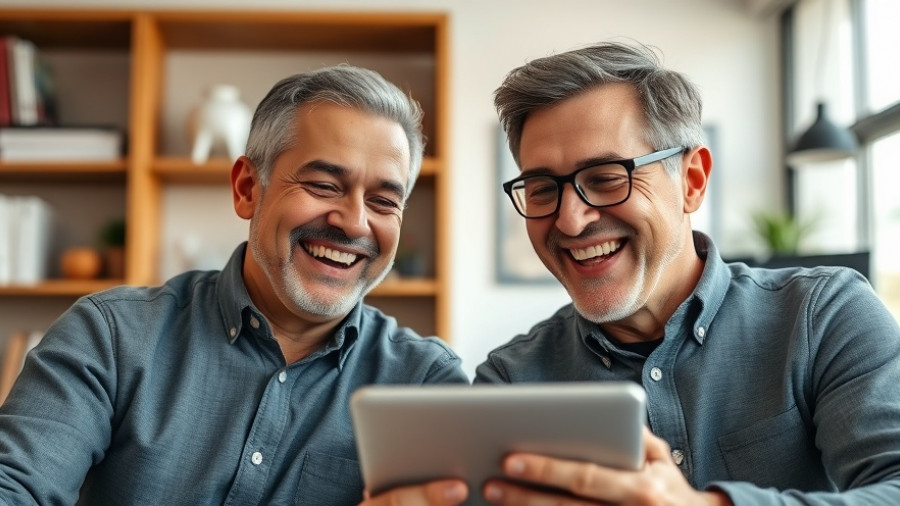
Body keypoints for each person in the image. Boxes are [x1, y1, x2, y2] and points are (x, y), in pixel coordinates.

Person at [365, 41, 900, 506]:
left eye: (605, 177)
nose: (571, 219)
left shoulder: (823, 316)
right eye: (543, 189)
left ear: (691, 180)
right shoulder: (509, 384)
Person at [0, 65, 468, 505]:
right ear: (248, 189)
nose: (354, 223)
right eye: (324, 185)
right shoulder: (109, 337)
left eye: (385, 201)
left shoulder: (426, 386)